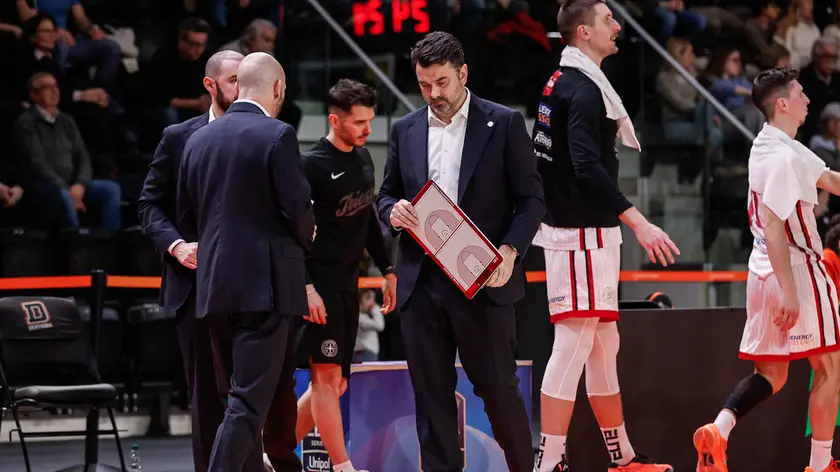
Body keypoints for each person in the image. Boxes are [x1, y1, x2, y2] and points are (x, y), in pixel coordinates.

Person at [376, 31, 545, 472]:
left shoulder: (504, 122)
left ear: (463, 73)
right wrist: (392, 211)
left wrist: (510, 251)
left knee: (498, 392)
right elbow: (386, 195)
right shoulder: (404, 128)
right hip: (422, 283)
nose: (435, 94)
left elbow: (531, 200)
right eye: (426, 84)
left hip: (483, 282)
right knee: (431, 402)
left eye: (443, 83)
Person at [531, 2, 678, 471]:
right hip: (579, 235)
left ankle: (623, 457)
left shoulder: (563, 80)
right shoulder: (582, 89)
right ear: (583, 32)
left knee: (603, 344)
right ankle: (548, 461)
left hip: (582, 231)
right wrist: (640, 222)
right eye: (607, 20)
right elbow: (585, 165)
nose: (617, 26)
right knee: (572, 345)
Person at [693, 66, 840, 472]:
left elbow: (829, 178)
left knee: (771, 375)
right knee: (830, 369)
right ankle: (821, 465)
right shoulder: (781, 158)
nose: (808, 100)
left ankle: (718, 431)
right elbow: (775, 225)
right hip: (795, 269)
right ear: (782, 103)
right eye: (801, 94)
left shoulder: (772, 144)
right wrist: (791, 292)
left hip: (761, 270)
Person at [177, 52, 314, 472]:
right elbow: (298, 212)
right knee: (248, 404)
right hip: (266, 289)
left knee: (234, 400)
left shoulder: (197, 139)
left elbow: (186, 216)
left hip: (214, 286)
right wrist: (308, 231)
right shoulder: (277, 134)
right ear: (276, 88)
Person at [137, 49, 243, 472]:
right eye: (233, 79)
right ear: (210, 85)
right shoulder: (179, 136)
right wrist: (178, 246)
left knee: (252, 400)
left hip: (252, 286)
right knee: (206, 403)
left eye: (245, 79)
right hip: (196, 285)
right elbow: (149, 205)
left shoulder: (271, 133)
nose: (241, 87)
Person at [284, 78, 396, 472]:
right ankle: (342, 466)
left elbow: (367, 224)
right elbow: (290, 233)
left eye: (370, 121)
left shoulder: (364, 159)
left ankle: (270, 458)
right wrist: (306, 286)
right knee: (325, 381)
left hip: (349, 285)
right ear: (334, 120)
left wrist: (388, 268)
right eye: (359, 122)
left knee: (332, 384)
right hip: (320, 286)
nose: (368, 130)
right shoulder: (311, 165)